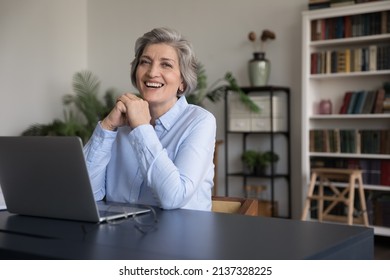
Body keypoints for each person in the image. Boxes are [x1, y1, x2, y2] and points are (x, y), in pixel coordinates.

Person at [83, 27, 216, 211]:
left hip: (180, 237)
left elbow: (174, 197)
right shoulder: (120, 123)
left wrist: (141, 128)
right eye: (145, 62)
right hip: (121, 236)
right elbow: (87, 194)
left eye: (166, 64)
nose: (152, 72)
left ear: (182, 81)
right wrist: (107, 127)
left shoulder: (200, 121)